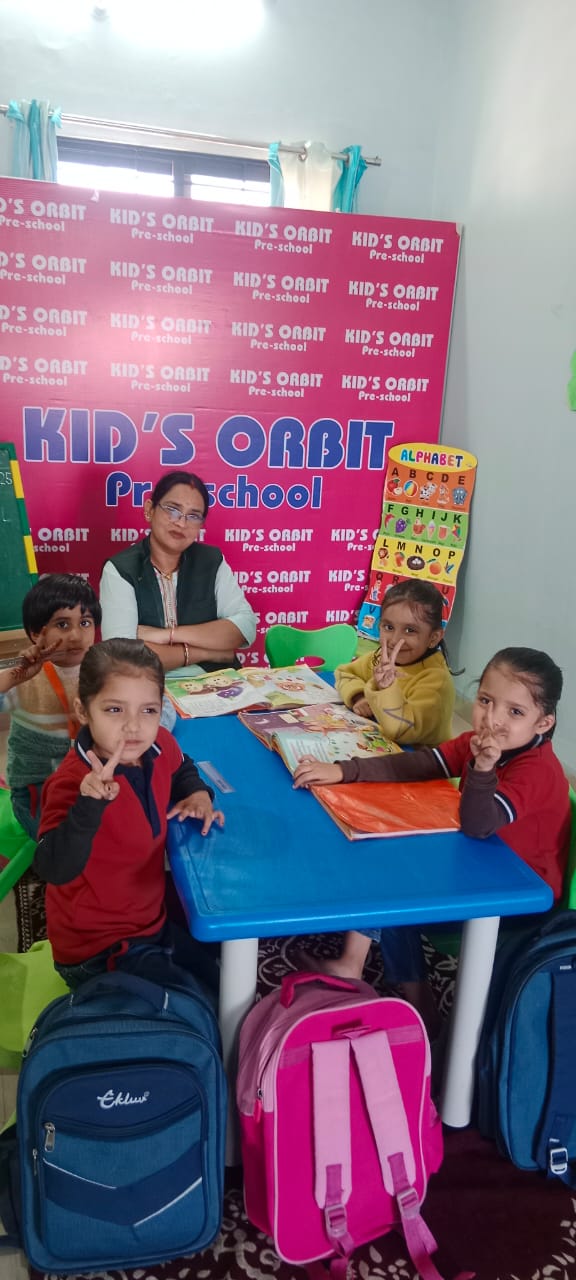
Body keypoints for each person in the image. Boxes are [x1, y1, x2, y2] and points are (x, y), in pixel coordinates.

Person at [294, 647, 570, 1034]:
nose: (493, 719)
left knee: (396, 885)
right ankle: (360, 968)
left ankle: (416, 1001)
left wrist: (483, 769)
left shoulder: (535, 771)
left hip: (520, 902)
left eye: (515, 712)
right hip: (481, 864)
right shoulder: (482, 742)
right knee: (389, 861)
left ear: (543, 723)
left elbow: (477, 823)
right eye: (486, 700)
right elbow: (422, 763)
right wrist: (344, 770)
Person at [34, 638, 224, 990]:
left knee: (218, 976)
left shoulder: (159, 743)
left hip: (149, 920)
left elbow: (181, 767)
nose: (134, 726)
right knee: (202, 1001)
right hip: (98, 947)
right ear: (83, 711)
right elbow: (52, 867)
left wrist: (197, 794)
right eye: (115, 710)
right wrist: (89, 805)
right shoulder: (72, 783)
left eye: (148, 710)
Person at [100, 470, 257, 674]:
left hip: (218, 683)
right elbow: (122, 656)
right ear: (149, 510)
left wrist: (168, 635)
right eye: (172, 509)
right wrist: (207, 653)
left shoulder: (211, 560)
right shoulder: (121, 569)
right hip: (150, 686)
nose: (181, 523)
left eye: (193, 516)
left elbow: (245, 627)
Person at [0, 574, 100, 838]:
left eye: (85, 622)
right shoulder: (23, 676)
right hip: (38, 790)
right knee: (63, 845)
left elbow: (154, 709)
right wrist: (16, 677)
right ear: (36, 633)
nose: (76, 636)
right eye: (62, 624)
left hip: (92, 781)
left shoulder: (106, 669)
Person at [335, 580, 454, 745]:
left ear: (433, 638)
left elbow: (401, 731)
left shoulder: (436, 681)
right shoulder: (379, 658)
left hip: (420, 758)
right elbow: (344, 673)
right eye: (389, 627)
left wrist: (387, 688)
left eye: (410, 630)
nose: (395, 640)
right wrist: (359, 696)